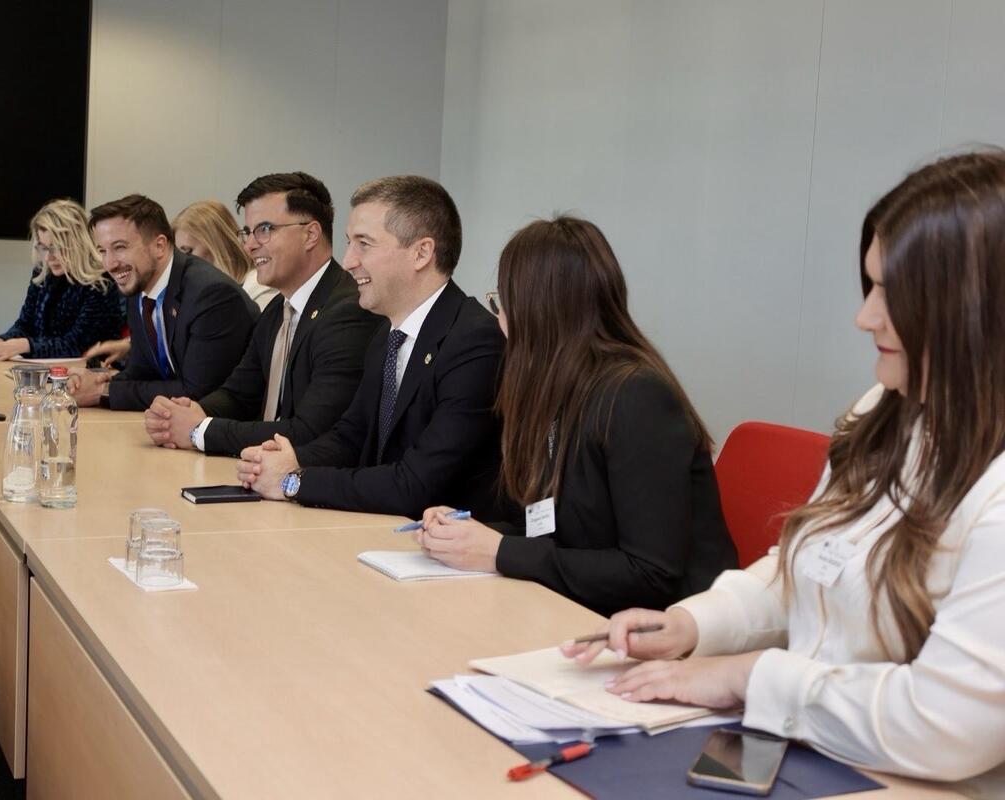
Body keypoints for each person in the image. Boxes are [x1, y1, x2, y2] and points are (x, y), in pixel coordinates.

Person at [564, 151, 1005, 793]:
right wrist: (694, 624)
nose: (865, 317)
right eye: (870, 287)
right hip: (813, 749)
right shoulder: (883, 409)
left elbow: (945, 724)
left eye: (894, 295)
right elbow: (808, 566)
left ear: (978, 311)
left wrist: (747, 676)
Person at [416, 217, 736, 615]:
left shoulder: (637, 397)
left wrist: (499, 552)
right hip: (584, 608)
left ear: (537, 313)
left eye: (502, 303)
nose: (499, 320)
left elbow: (650, 573)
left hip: (671, 628)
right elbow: (550, 528)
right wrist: (469, 534)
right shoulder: (555, 387)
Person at [236, 175, 506, 519]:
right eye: (349, 243)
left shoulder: (474, 342)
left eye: (364, 244)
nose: (348, 260)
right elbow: (351, 436)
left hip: (441, 542)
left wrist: (294, 481)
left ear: (421, 253)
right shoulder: (386, 334)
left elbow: (415, 485)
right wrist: (283, 462)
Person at [143, 173, 379, 456]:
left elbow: (310, 432)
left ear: (310, 235)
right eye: (247, 232)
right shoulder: (277, 310)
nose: (250, 245)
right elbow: (239, 394)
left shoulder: (348, 313)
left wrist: (198, 431)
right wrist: (183, 413)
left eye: (265, 229)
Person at [72, 194, 258, 411]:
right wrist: (94, 383)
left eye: (120, 247)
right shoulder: (139, 287)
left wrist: (103, 392)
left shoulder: (212, 294)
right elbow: (142, 372)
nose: (109, 264)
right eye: (102, 251)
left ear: (159, 246)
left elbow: (197, 392)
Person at [83, 199, 273, 368]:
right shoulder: (165, 293)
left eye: (186, 251)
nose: (177, 260)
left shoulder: (254, 291)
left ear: (219, 246)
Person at [0, 199, 123, 360]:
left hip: (90, 370)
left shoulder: (101, 282)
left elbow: (76, 345)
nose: (49, 257)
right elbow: (25, 325)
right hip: (46, 369)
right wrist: (1, 341)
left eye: (57, 247)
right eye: (43, 248)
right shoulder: (42, 273)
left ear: (77, 243)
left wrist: (25, 345)